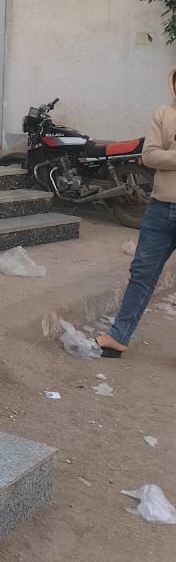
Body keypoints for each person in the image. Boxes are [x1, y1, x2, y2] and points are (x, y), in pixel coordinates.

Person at [97, 68, 176, 358]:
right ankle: (119, 336)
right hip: (160, 207)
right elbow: (150, 156)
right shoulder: (164, 113)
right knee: (142, 273)